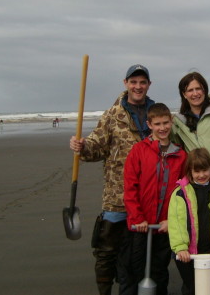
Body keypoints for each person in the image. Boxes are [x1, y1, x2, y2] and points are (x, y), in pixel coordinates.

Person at [69, 64, 154, 295]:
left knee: (141, 253)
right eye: (133, 82)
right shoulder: (112, 115)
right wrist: (83, 147)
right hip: (117, 196)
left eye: (142, 82)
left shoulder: (156, 114)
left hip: (149, 197)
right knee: (106, 250)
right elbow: (96, 147)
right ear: (125, 83)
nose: (138, 86)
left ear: (148, 85)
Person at [119, 103, 187, 295]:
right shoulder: (139, 150)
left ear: (171, 122)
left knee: (159, 271)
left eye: (166, 123)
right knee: (134, 269)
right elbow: (130, 187)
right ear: (149, 124)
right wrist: (137, 217)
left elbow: (182, 193)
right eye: (157, 124)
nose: (162, 128)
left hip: (164, 226)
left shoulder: (180, 155)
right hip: (140, 225)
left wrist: (171, 220)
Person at [168, 148, 210, 295]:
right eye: (197, 172)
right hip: (187, 253)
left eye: (205, 170)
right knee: (191, 287)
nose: (202, 175)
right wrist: (180, 247)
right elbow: (176, 223)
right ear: (190, 171)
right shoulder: (180, 193)